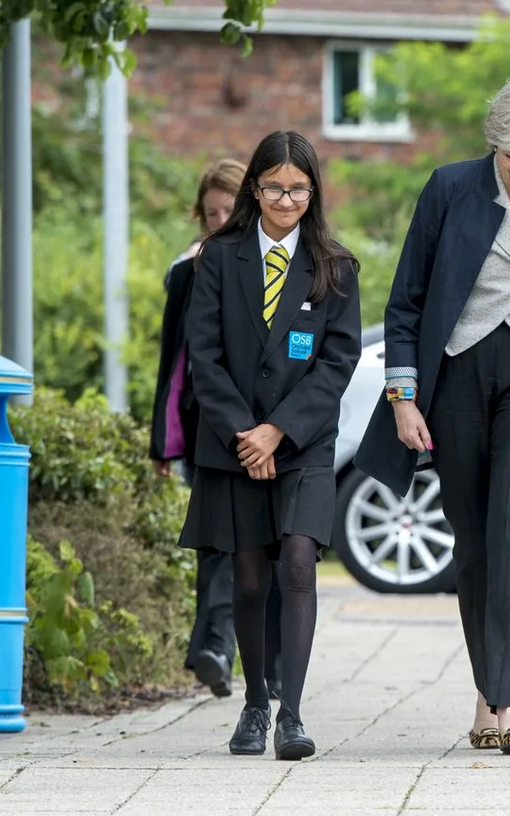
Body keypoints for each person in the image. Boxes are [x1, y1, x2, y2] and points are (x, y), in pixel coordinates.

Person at [354, 77, 510, 756]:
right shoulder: (449, 187)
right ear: (492, 145)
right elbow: (406, 298)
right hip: (458, 372)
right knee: (471, 536)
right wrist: (404, 397)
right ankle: (487, 690)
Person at [179, 131, 362, 760]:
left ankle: (292, 714)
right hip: (233, 443)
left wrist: (278, 429)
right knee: (251, 578)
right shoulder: (218, 257)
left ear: (313, 191)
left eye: (299, 188)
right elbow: (202, 355)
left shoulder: (335, 266)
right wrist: (245, 432)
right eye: (275, 186)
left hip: (302, 442)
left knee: (298, 563)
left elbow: (338, 363)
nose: (287, 199)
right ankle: (253, 704)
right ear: (255, 188)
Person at [149, 158, 283, 700]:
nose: (221, 220)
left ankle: (265, 660)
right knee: (217, 544)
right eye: (212, 213)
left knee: (268, 545)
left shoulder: (276, 266)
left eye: (231, 209)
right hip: (210, 429)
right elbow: (176, 362)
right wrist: (162, 438)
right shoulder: (188, 272)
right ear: (199, 217)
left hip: (271, 429)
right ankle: (213, 650)